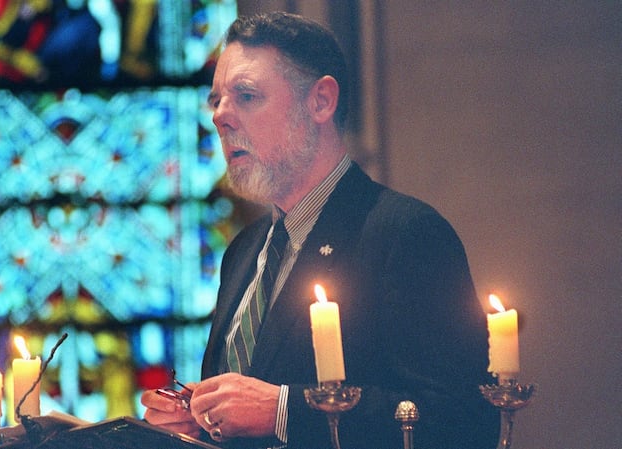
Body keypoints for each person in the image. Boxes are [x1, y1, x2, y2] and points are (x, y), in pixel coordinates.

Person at [141, 11, 498, 449]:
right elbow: (246, 410)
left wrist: (285, 411)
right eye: (216, 100)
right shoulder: (243, 251)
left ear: (321, 102)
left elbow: (462, 420)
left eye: (246, 96)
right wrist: (198, 422)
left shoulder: (407, 235)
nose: (220, 117)